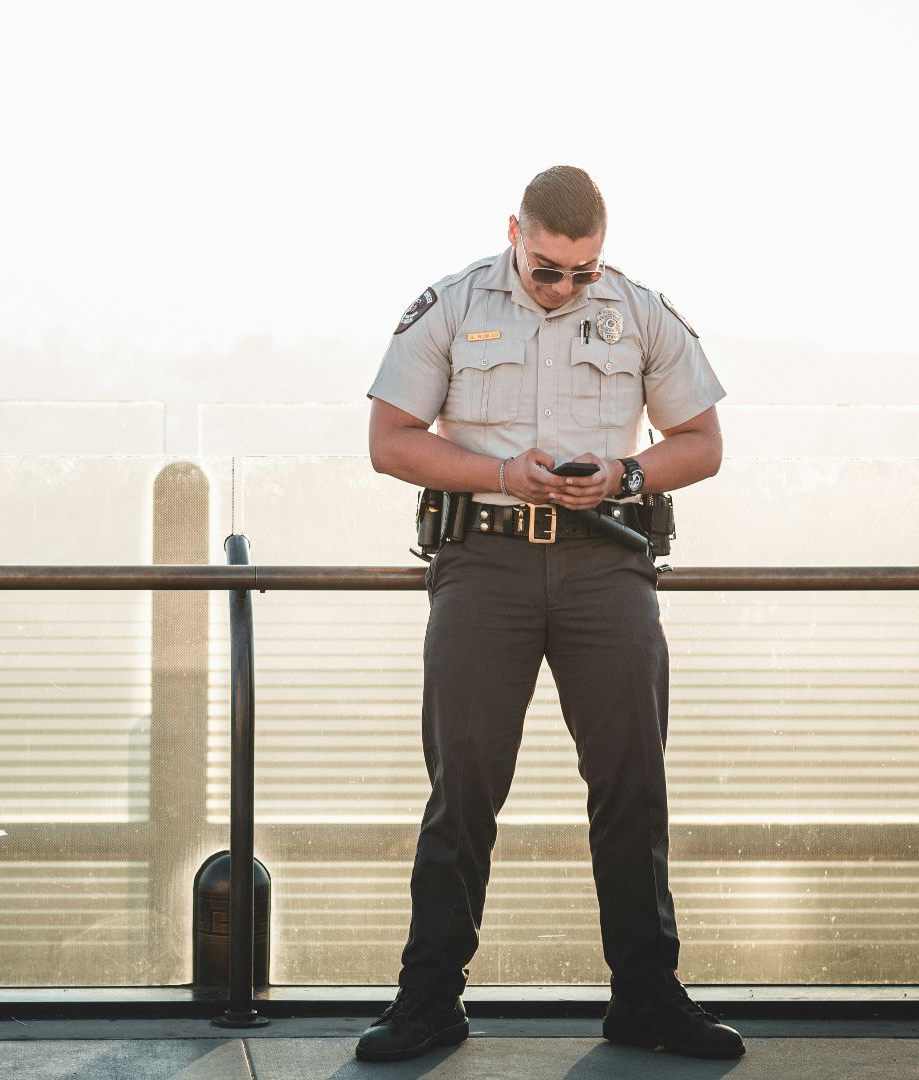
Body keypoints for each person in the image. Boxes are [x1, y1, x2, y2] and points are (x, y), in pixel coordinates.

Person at [355, 166, 742, 1062]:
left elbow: (703, 442)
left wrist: (628, 475)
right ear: (514, 234)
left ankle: (646, 998)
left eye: (584, 271)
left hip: (608, 563)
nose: (565, 286)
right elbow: (389, 441)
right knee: (465, 786)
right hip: (483, 564)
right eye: (547, 269)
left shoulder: (640, 311)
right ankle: (427, 1002)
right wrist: (499, 472)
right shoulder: (449, 305)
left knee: (633, 784)